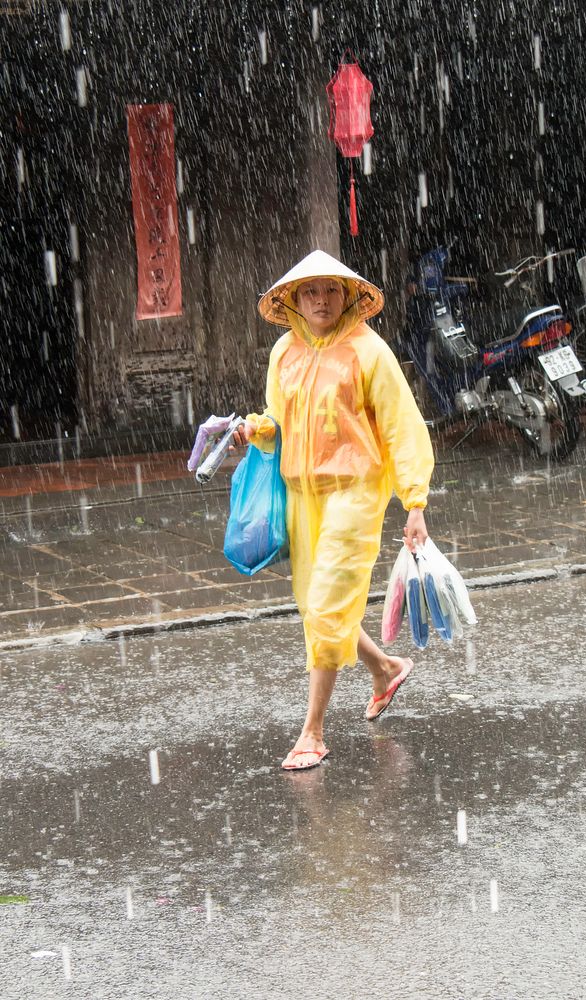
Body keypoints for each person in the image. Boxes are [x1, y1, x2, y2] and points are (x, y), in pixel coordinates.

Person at [233, 250, 434, 771]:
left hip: (356, 491)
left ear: (347, 295)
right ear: (294, 300)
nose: (321, 301)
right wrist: (256, 430)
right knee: (318, 607)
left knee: (326, 609)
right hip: (301, 494)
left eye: (330, 290)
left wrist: (414, 501)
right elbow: (279, 419)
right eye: (309, 292)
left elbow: (401, 425)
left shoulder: (369, 352)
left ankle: (312, 732)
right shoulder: (284, 351)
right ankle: (386, 668)